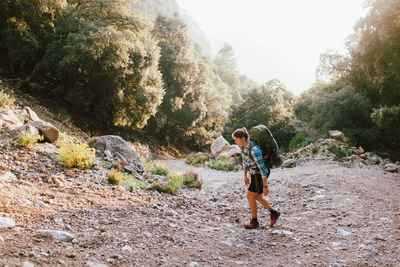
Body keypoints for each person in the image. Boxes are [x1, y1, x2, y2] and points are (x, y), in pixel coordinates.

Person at [232, 127, 280, 229]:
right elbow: (245, 162)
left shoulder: (254, 150)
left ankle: (254, 222)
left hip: (259, 175)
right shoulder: (243, 148)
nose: (235, 143)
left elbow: (263, 169)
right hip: (253, 174)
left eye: (236, 140)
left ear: (242, 138)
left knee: (250, 196)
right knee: (257, 196)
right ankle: (273, 213)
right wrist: (245, 176)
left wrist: (265, 186)